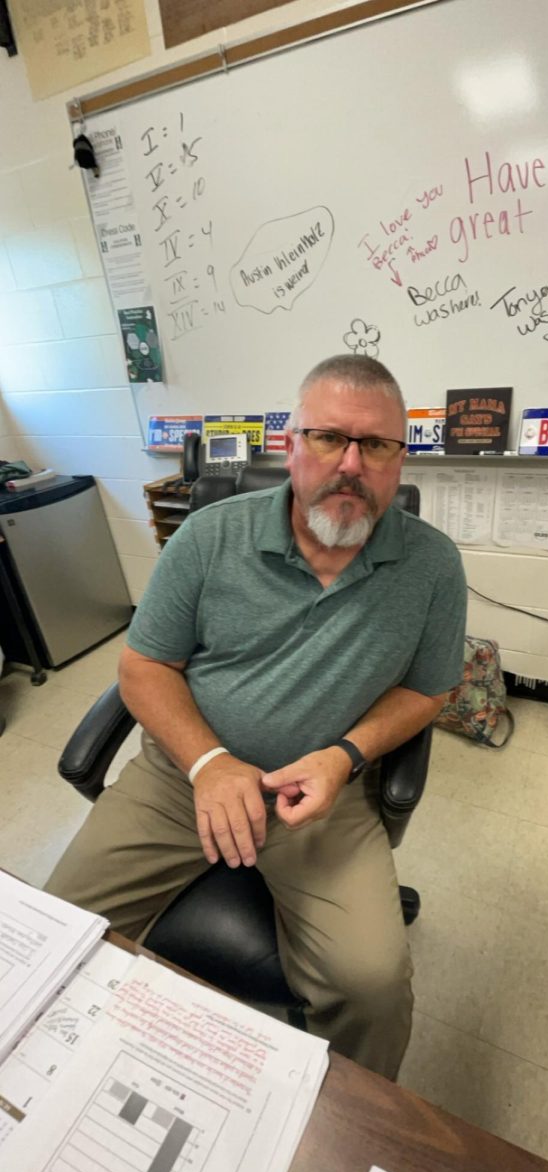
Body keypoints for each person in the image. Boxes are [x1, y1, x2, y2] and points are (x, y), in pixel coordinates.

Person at [47, 354, 467, 1080]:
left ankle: (351, 1137)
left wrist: (344, 758)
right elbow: (144, 667)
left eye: (377, 445)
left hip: (319, 801)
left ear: (401, 458)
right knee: (54, 934)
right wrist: (208, 763)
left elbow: (429, 693)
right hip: (185, 777)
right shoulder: (209, 537)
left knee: (372, 988)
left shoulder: (432, 566)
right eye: (330, 438)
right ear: (290, 445)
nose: (352, 464)